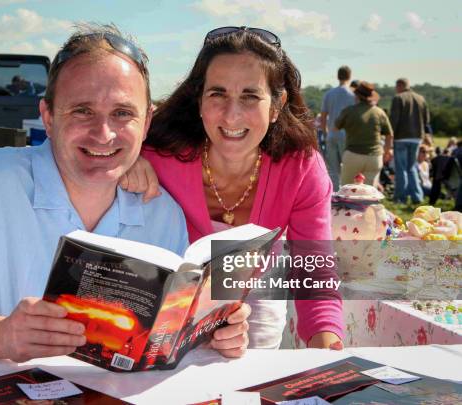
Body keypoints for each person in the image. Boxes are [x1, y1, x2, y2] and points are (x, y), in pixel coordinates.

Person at [0, 25, 250, 362]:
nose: (103, 134)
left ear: (147, 121)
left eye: (122, 113)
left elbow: (160, 341)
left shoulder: (161, 212)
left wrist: (210, 335)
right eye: (82, 111)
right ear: (48, 117)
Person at [124, 26, 344, 349]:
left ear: (277, 105)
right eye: (218, 94)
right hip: (170, 308)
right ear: (199, 100)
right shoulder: (159, 153)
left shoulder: (301, 168)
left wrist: (330, 356)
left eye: (250, 96)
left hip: (255, 305)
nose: (232, 114)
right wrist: (128, 161)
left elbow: (315, 275)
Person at [335, 81, 393, 187]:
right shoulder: (379, 112)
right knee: (369, 193)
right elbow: (389, 135)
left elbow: (335, 127)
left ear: (356, 95)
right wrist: (387, 151)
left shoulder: (349, 111)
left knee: (346, 190)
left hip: (353, 154)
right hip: (374, 157)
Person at [390, 78, 430, 203]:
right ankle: (417, 196)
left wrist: (390, 136)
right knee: (412, 167)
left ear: (400, 85)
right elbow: (426, 120)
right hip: (417, 137)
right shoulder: (421, 99)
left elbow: (394, 120)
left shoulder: (398, 98)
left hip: (401, 137)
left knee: (401, 168)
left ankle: (400, 198)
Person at [320, 66, 355, 191]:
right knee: (347, 168)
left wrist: (325, 133)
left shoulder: (329, 94)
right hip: (347, 136)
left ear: (337, 76)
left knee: (333, 169)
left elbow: (323, 116)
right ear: (350, 76)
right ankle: (347, 192)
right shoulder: (353, 95)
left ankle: (335, 194)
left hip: (331, 135)